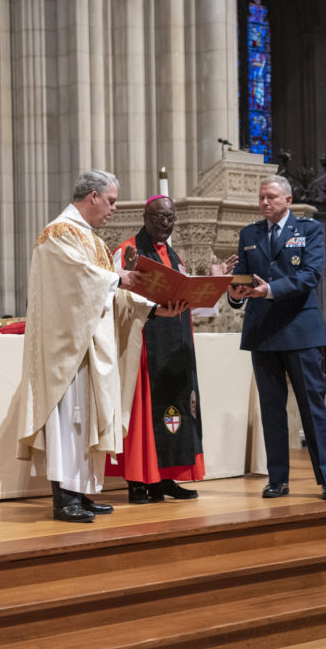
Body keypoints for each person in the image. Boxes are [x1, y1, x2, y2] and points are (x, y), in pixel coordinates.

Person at [15, 169, 183, 523]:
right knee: (70, 423)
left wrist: (154, 309)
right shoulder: (58, 234)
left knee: (88, 421)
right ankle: (64, 499)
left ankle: (80, 493)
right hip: (69, 351)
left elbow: (112, 298)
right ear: (91, 197)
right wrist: (115, 276)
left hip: (92, 345)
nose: (113, 209)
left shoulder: (90, 239)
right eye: (110, 201)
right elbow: (75, 281)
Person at [108, 195, 237, 503]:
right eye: (159, 218)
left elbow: (191, 303)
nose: (165, 224)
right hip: (143, 348)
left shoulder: (174, 256)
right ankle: (140, 481)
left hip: (176, 347)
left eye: (170, 219)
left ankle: (166, 478)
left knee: (178, 410)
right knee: (143, 413)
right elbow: (116, 300)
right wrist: (154, 309)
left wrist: (214, 283)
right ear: (145, 217)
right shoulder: (127, 252)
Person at [227, 174, 326, 500]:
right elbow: (243, 284)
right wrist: (233, 290)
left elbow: (311, 274)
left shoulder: (308, 230)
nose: (265, 202)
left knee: (312, 407)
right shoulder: (249, 234)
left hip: (300, 332)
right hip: (262, 334)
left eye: (271, 197)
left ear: (287, 200)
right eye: (262, 197)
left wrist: (271, 289)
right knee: (272, 409)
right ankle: (277, 479)